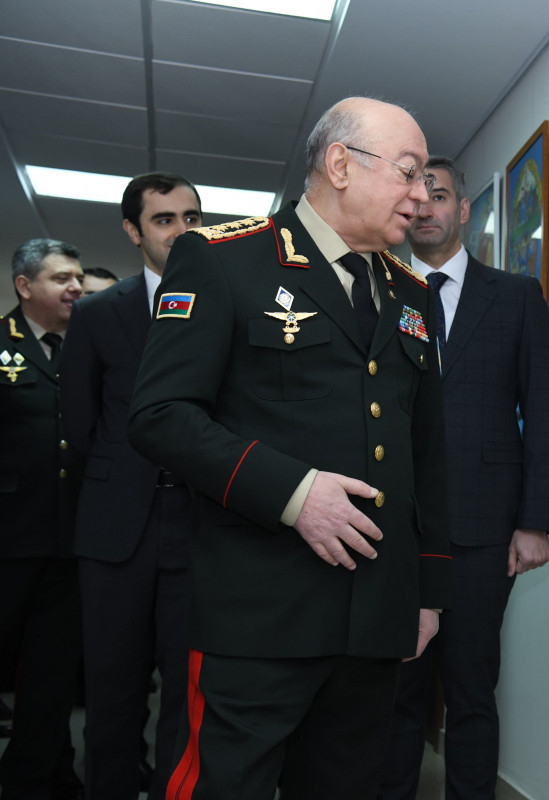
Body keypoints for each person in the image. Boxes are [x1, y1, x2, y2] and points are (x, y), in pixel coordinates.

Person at [126, 97, 452, 799]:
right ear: (340, 164)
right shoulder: (224, 261)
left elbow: (428, 454)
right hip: (256, 612)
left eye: (425, 179)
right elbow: (159, 415)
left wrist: (426, 595)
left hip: (373, 616)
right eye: (408, 172)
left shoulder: (412, 294)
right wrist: (296, 494)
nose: (423, 196)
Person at [379, 157, 549, 800]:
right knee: (395, 690)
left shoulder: (514, 296)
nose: (424, 205)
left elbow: (544, 408)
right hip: (392, 527)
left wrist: (534, 521)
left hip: (485, 528)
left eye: (439, 194)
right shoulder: (377, 291)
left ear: (463, 209)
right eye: (413, 194)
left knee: (471, 689)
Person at [60, 172, 204, 800]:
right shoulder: (97, 313)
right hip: (116, 527)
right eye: (165, 219)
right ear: (133, 231)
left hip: (201, 528)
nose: (181, 231)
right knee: (113, 693)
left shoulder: (222, 305)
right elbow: (81, 424)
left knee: (188, 694)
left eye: (192, 218)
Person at [0, 238, 85, 798]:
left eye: (77, 277)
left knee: (52, 674)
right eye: (60, 278)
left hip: (67, 540)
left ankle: (31, 778)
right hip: (7, 538)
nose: (75, 287)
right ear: (25, 287)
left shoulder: (85, 346)